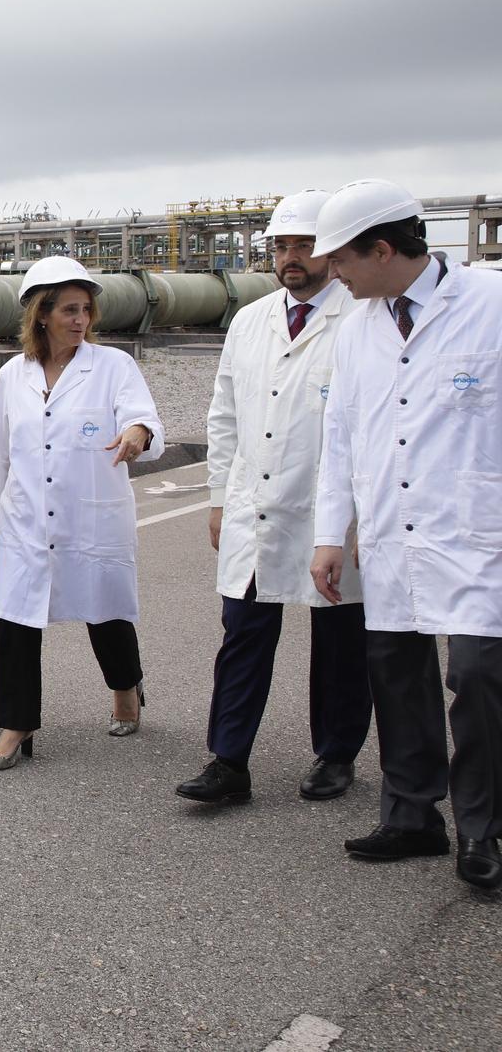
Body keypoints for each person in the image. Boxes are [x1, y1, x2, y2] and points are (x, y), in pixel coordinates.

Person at [310, 179, 502, 891]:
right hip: (392, 531)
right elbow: (343, 435)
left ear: (384, 249)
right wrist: (332, 531)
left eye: (342, 260)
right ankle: (413, 812)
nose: (335, 272)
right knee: (397, 671)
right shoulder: (358, 325)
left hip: (479, 531)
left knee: (479, 676)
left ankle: (484, 827)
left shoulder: (491, 306)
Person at [176, 191, 371, 806]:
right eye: (281, 247)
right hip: (253, 506)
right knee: (243, 633)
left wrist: (356, 522)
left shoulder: (362, 320)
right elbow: (225, 414)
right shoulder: (250, 319)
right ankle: (228, 760)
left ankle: (336, 754)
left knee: (339, 639)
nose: (291, 258)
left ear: (331, 251)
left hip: (330, 512)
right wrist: (215, 496)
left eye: (304, 246)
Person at [0, 255, 164, 773]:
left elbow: (142, 418)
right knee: (16, 617)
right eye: (69, 310)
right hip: (26, 518)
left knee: (105, 608)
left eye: (86, 310)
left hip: (91, 515)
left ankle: (125, 689)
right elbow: (2, 450)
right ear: (41, 314)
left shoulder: (112, 367)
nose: (81, 320)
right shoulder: (14, 374)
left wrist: (136, 434)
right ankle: (17, 724)